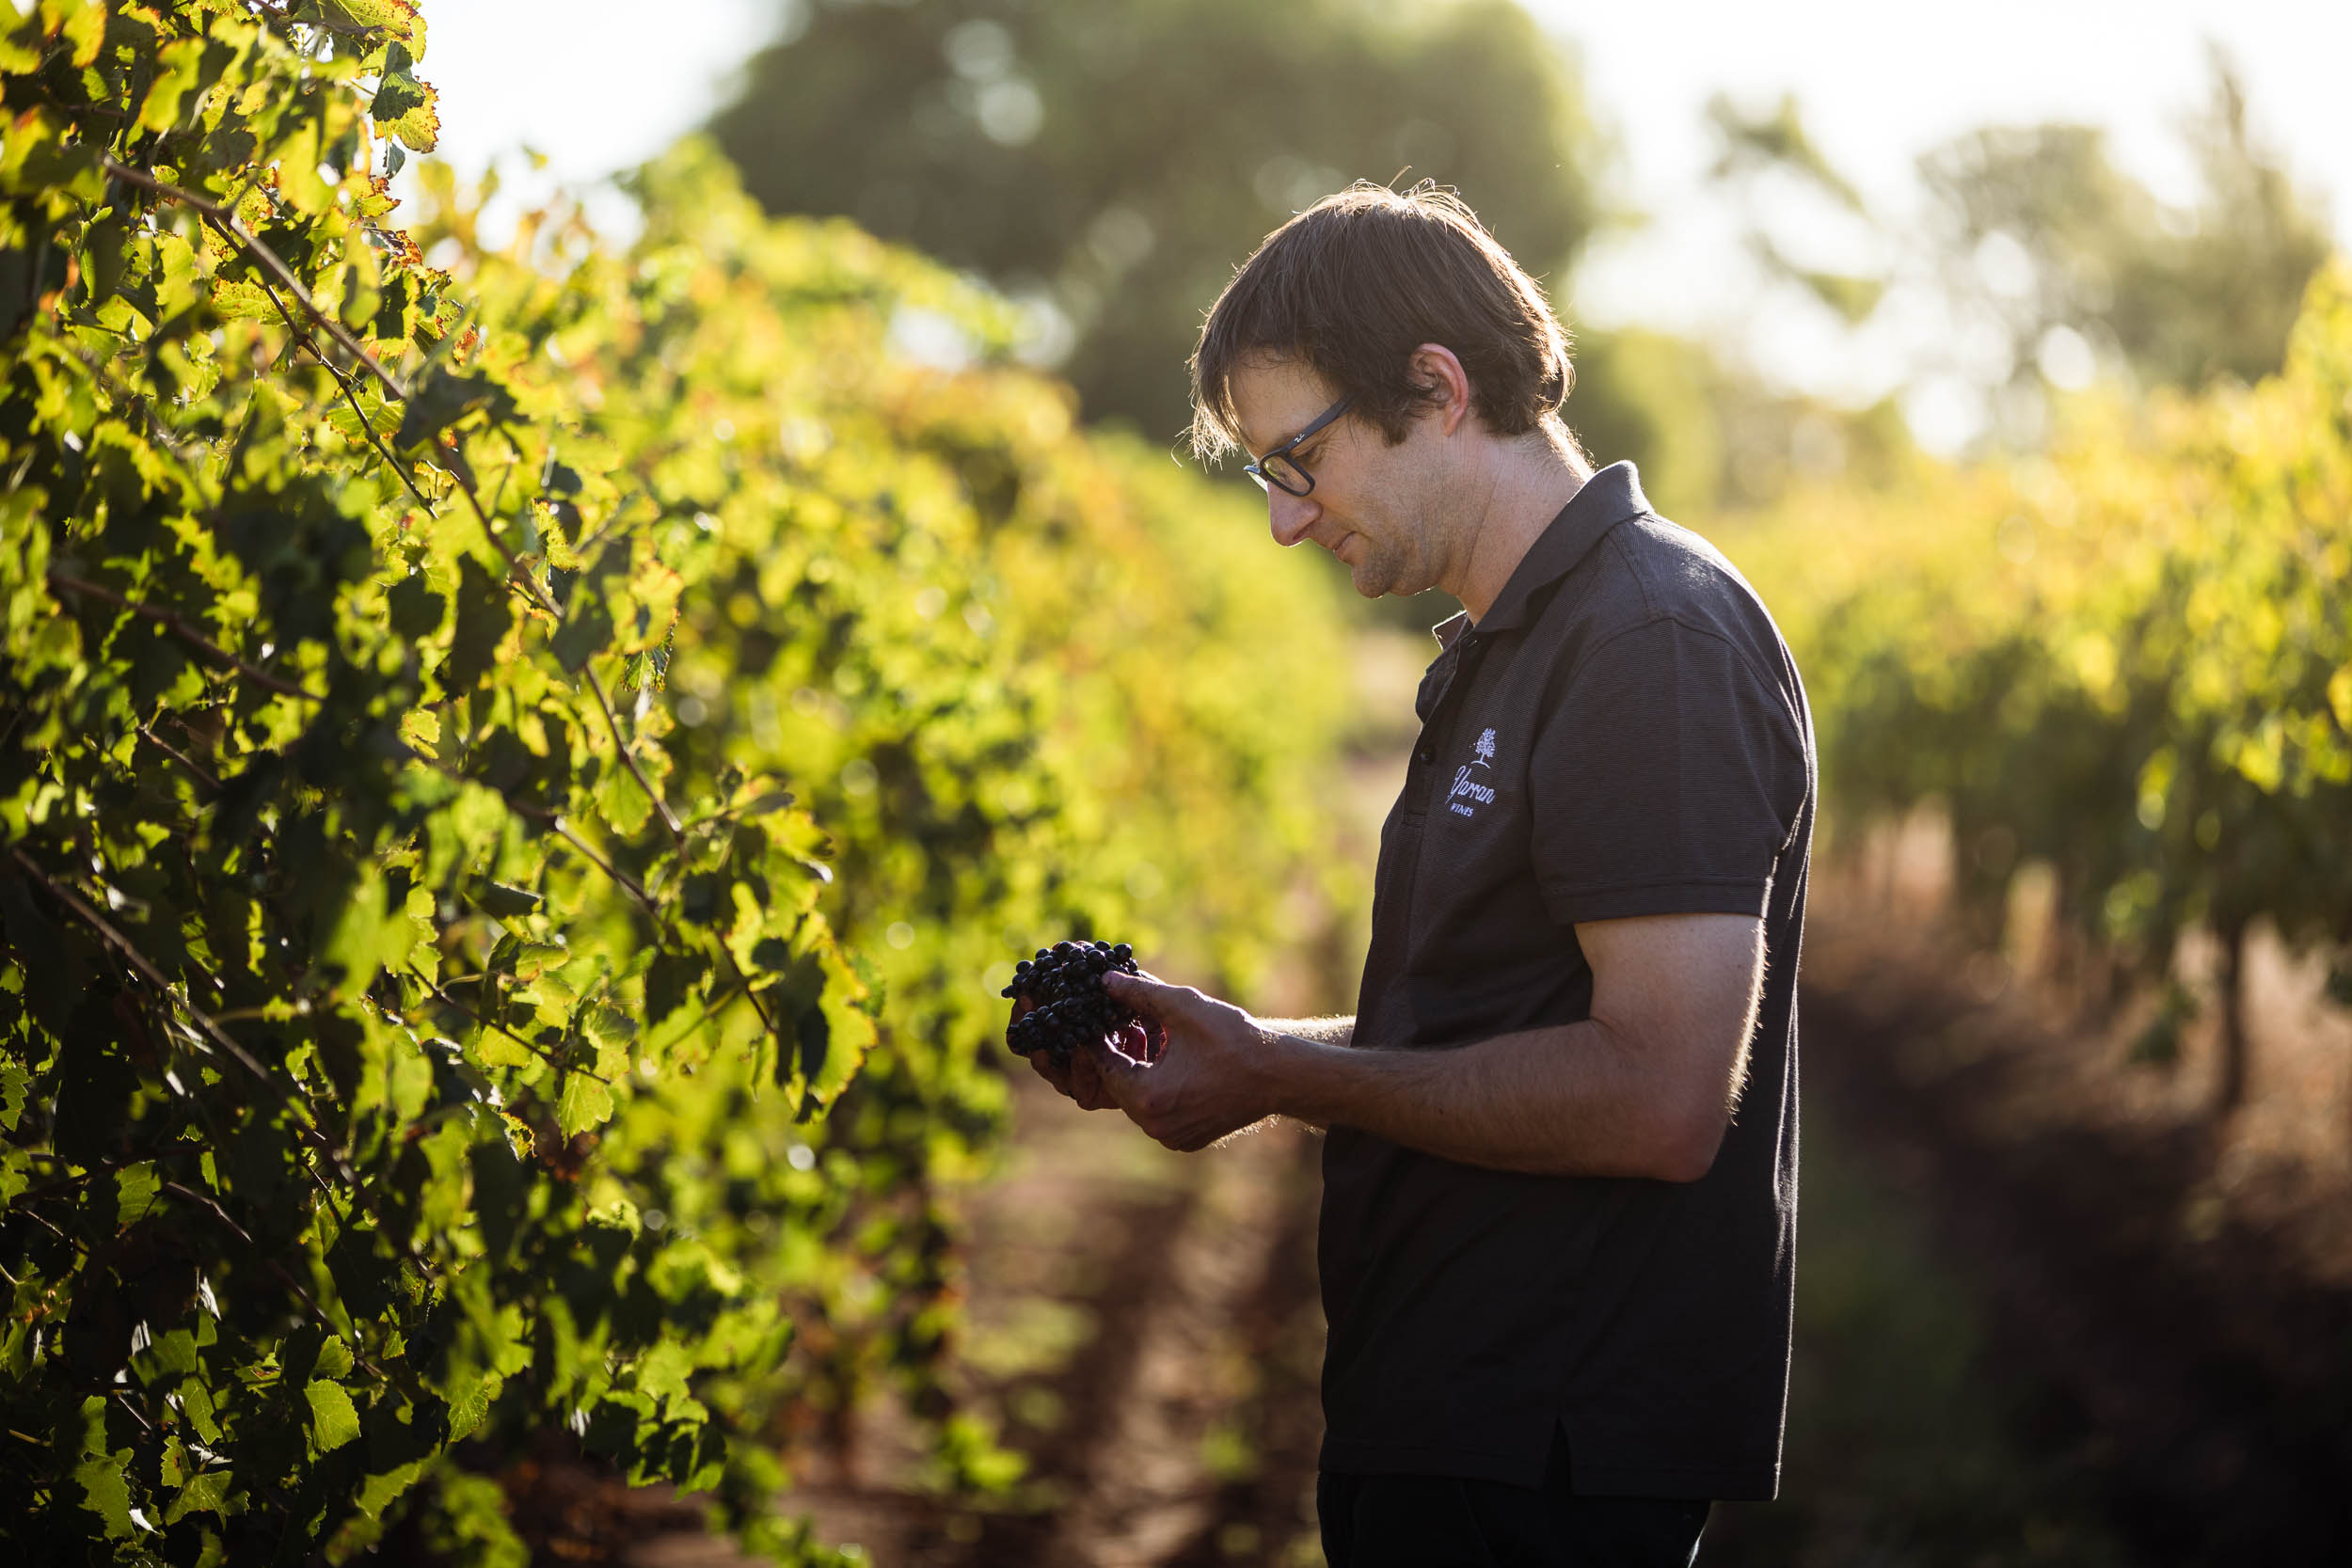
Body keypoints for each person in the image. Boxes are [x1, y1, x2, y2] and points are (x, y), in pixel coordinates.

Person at [1022, 182, 1815, 1568]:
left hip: (1546, 1458)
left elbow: (1658, 1095)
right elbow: (1488, 1030)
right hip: (1459, 1428)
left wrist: (1283, 1077)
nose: (1284, 519)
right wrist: (1253, 1047)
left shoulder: (1649, 645)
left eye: (1295, 461)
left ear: (1437, 388)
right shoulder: (1516, 649)